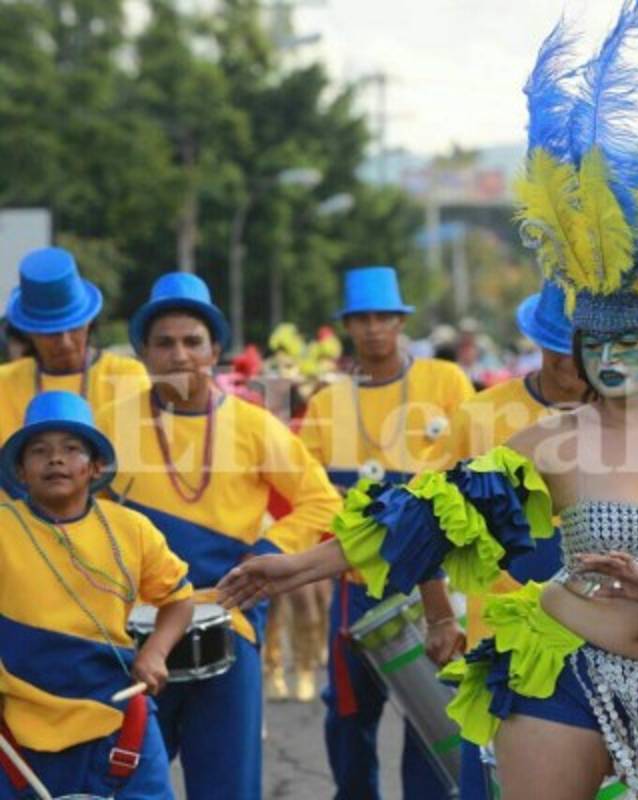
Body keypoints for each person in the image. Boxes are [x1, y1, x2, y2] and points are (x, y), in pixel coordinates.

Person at [219, 7, 638, 798]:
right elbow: (429, 516)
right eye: (596, 346)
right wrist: (298, 565)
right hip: (560, 681)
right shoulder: (552, 442)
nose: (611, 360)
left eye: (631, 345)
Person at [94, 272, 341, 800]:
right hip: (128, 637)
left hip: (228, 625)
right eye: (164, 343)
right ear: (142, 353)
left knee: (228, 788)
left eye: (193, 342)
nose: (179, 355)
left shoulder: (255, 426)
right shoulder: (106, 427)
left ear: (216, 352)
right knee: (122, 785)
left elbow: (321, 499)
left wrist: (269, 555)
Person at [297, 265, 473, 800]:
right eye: (362, 319)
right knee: (347, 714)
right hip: (356, 586)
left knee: (433, 710)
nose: (374, 328)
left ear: (401, 322)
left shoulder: (445, 383)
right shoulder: (327, 403)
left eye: (384, 318)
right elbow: (314, 495)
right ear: (348, 326)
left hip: (435, 585)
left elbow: (474, 471)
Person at [0, 392, 193, 799]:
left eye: (71, 449)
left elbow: (179, 599)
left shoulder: (132, 528)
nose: (55, 460)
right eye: (39, 451)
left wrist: (155, 652)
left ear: (96, 467)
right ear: (20, 470)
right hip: (18, 733)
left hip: (122, 723)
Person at [443, 281, 585, 797]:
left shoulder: (634, 420)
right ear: (541, 345)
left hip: (603, 641)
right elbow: (425, 514)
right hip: (500, 642)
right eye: (565, 349)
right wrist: (439, 613)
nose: (579, 363)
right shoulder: (479, 416)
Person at [0, 247, 149, 460]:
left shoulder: (127, 376)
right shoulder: (4, 383)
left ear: (89, 321)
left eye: (75, 328)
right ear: (29, 331)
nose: (66, 343)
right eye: (51, 333)